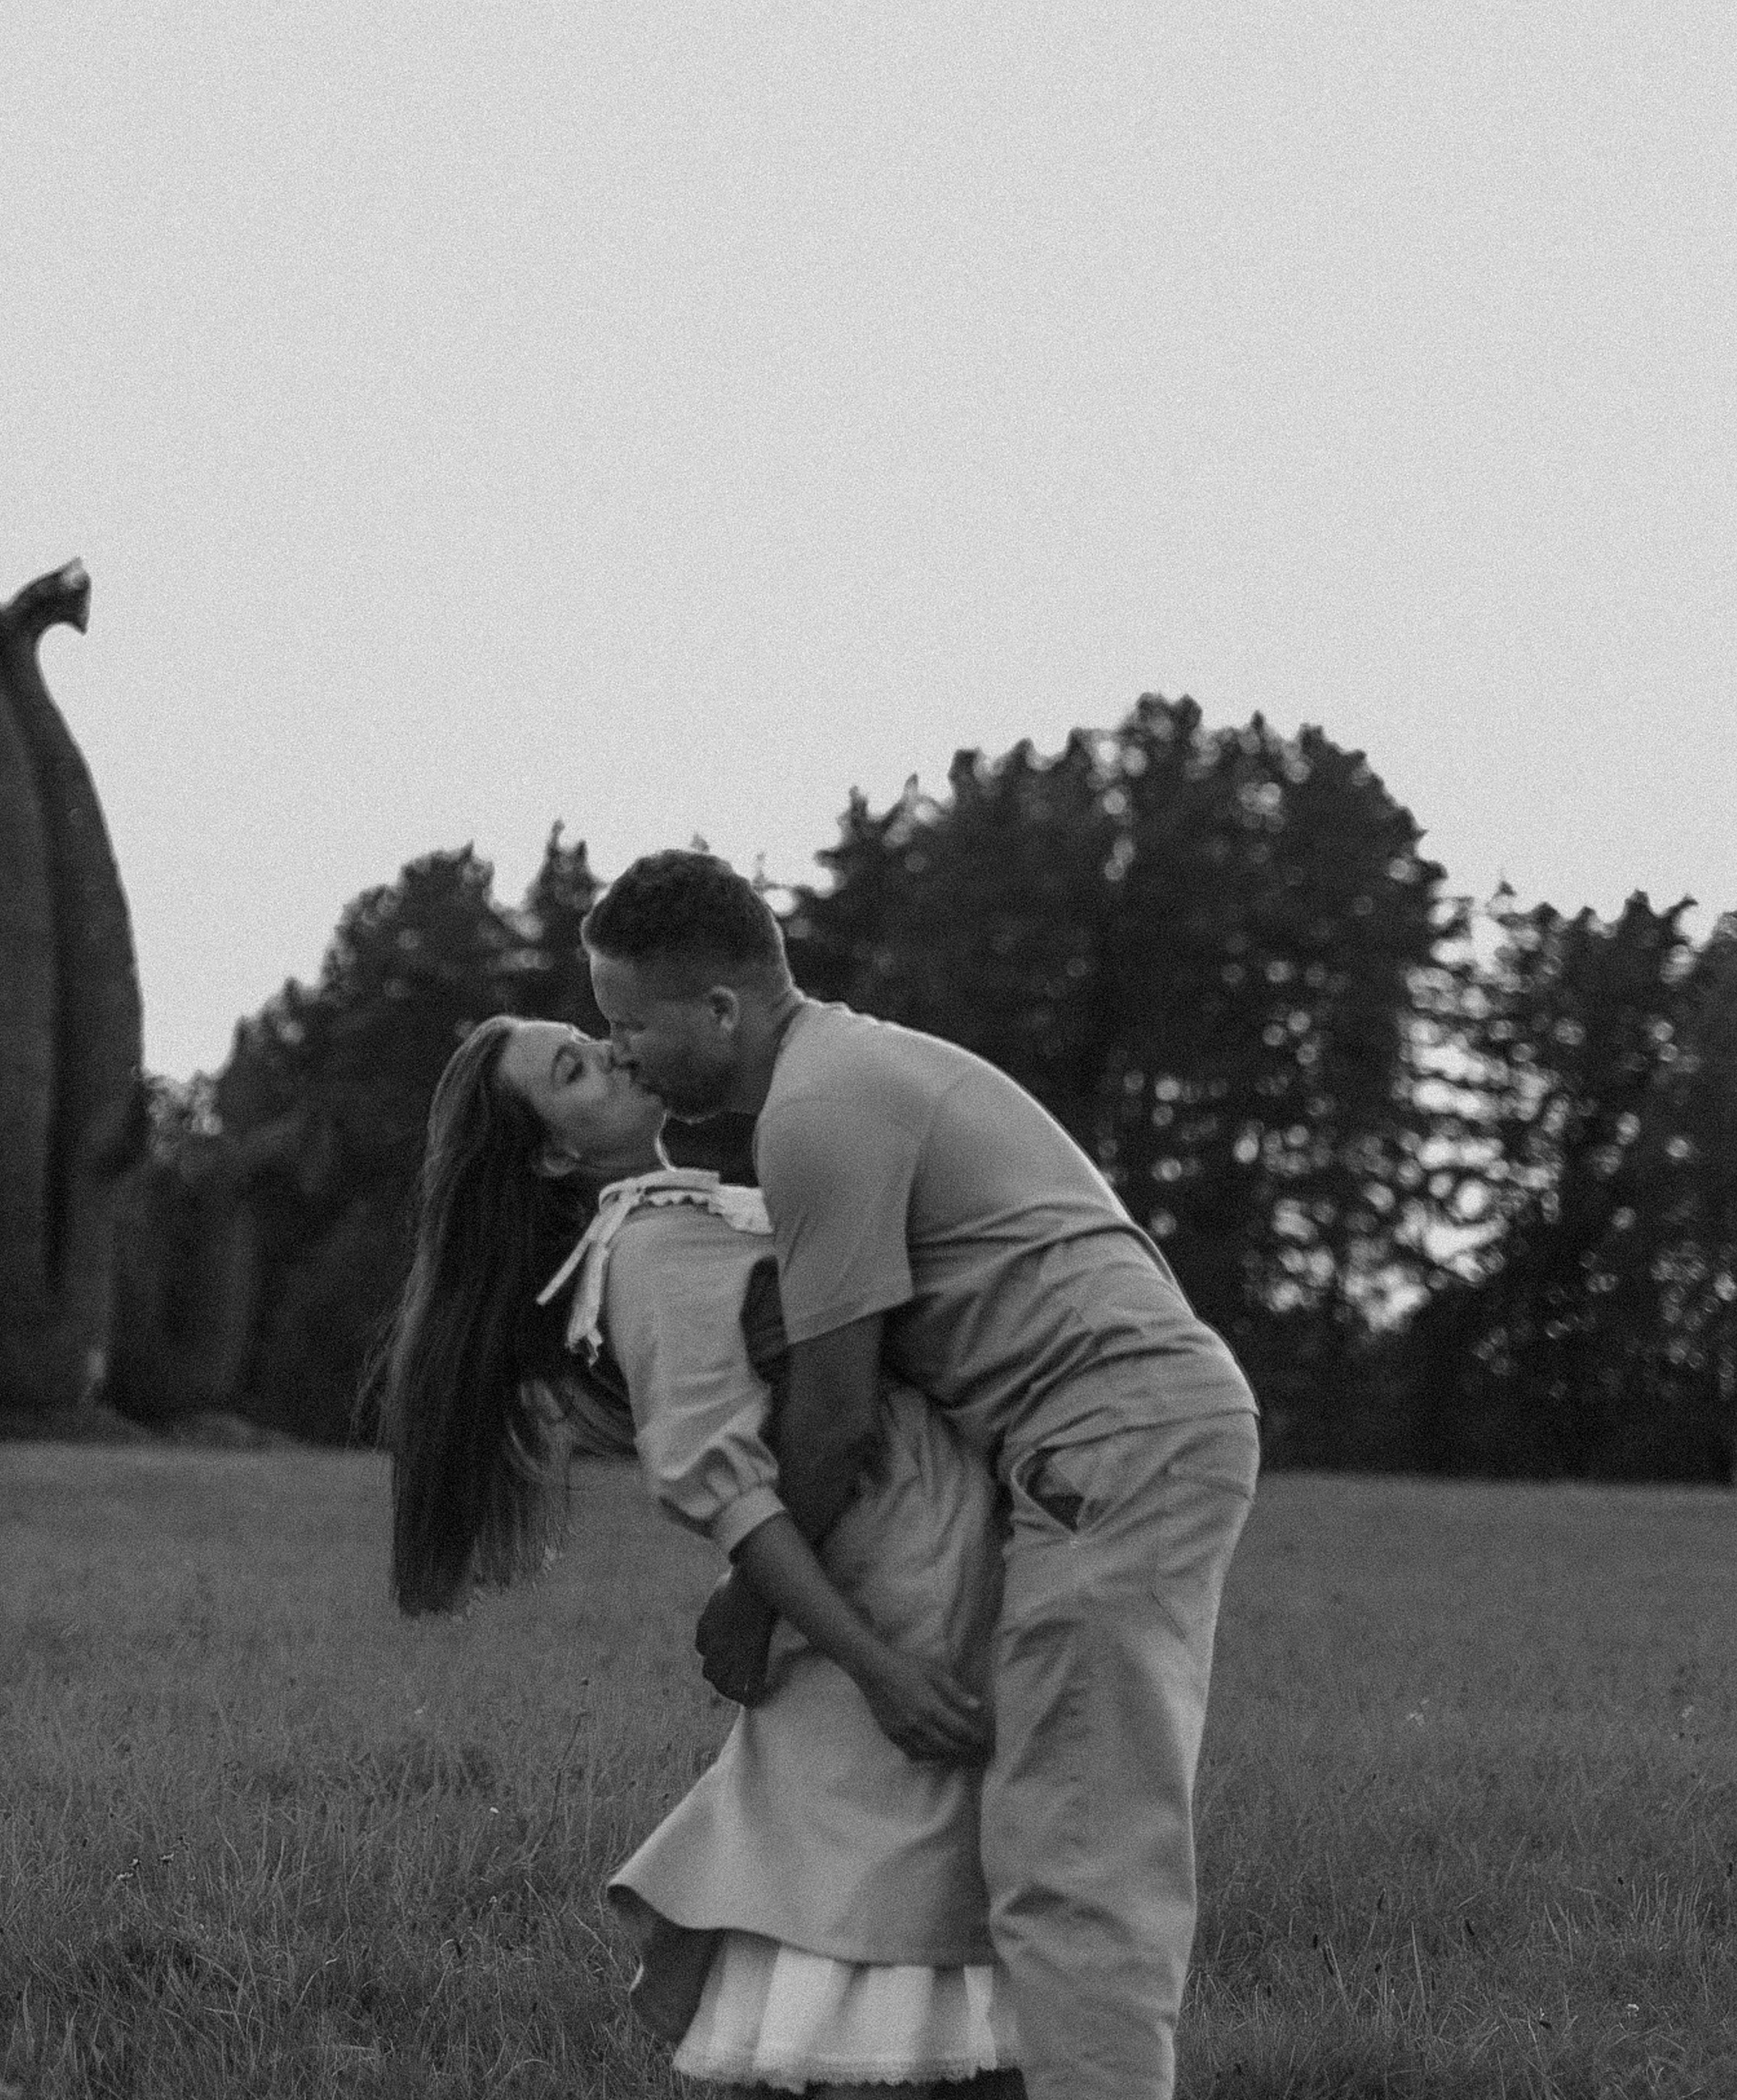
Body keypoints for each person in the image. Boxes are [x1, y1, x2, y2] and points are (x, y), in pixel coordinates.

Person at [582, 852, 1260, 2100]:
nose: (624, 1053)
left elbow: (836, 1416)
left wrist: (754, 1598)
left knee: (1076, 1859)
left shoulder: (816, 1113)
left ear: (721, 1010)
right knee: (1059, 1835)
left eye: (631, 1022)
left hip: (1108, 1440)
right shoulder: (856, 1065)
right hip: (1124, 1433)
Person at [381, 1012, 1024, 2095]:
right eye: (574, 1070)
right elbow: (725, 1489)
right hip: (889, 1584)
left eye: (592, 1034)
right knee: (885, 1927)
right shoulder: (645, 1253)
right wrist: (875, 1664)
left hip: (922, 1552)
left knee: (909, 1920)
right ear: (553, 1152)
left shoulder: (687, 1216)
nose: (616, 1052)